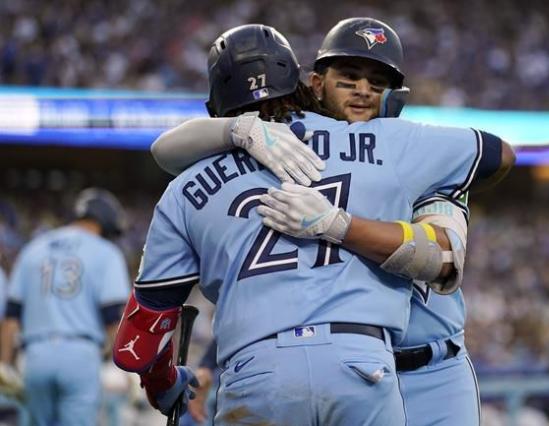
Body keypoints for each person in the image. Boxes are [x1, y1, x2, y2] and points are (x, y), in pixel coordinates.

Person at [113, 23, 502, 426]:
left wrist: (338, 225)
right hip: (362, 364)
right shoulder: (372, 148)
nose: (362, 91)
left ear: (395, 94)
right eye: (347, 78)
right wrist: (238, 130)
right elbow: (279, 289)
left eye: (377, 81)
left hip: (430, 368)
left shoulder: (411, 153)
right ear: (312, 84)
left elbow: (438, 261)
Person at [0, 188, 131, 426]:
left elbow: (11, 316)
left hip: (35, 356)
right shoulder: (106, 252)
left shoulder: (34, 247)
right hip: (80, 355)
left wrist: (4, 364)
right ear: (105, 222)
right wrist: (129, 368)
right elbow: (113, 317)